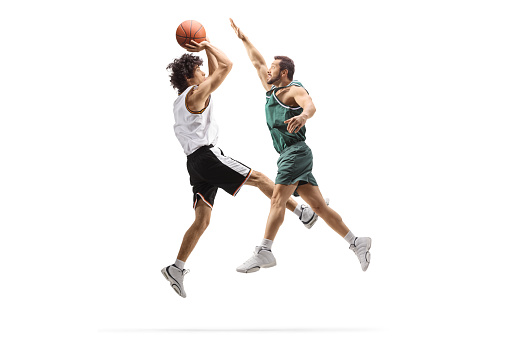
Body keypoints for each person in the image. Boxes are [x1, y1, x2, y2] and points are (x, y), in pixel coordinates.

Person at [162, 38, 321, 298]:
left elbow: (214, 73)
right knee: (258, 178)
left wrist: (205, 52)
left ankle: (176, 268)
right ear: (191, 79)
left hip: (194, 164)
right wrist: (207, 44)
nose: (204, 74)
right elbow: (226, 66)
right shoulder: (195, 94)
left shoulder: (181, 100)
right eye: (199, 72)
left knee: (202, 221)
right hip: (207, 156)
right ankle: (302, 212)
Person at [230, 19, 372, 273]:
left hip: (295, 154)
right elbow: (257, 62)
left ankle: (264, 251)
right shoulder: (272, 91)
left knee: (277, 199)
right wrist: (244, 38)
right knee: (318, 207)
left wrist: (304, 116)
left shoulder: (293, 89)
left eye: (273, 69)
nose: (268, 71)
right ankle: (357, 242)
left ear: (284, 73)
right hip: (293, 155)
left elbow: (310, 104)